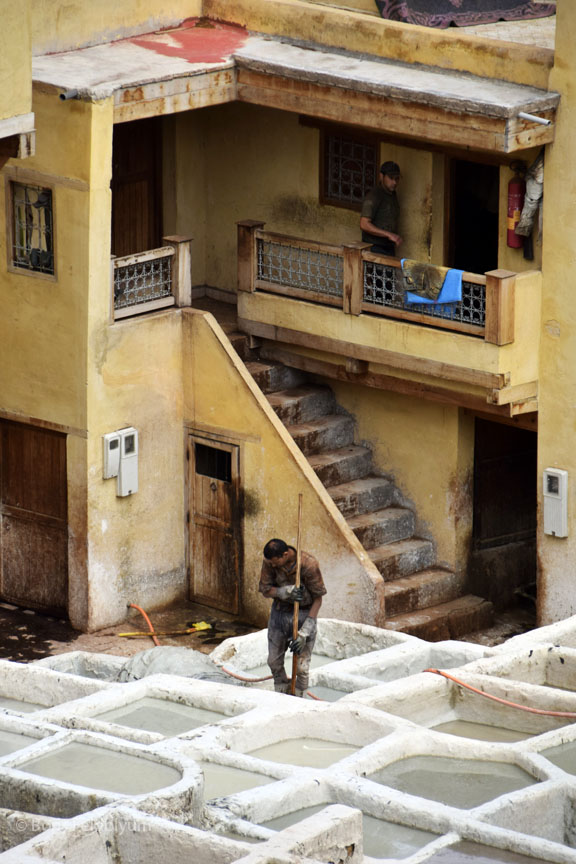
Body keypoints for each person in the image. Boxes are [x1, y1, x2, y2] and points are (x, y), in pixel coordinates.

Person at [259, 538, 326, 697]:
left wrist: (305, 632)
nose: (273, 566)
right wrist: (284, 592)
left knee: (302, 668)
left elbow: (318, 599)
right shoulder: (270, 562)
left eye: (276, 563)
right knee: (273, 662)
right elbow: (265, 589)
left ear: (285, 554)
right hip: (279, 614)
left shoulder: (308, 564)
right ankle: (281, 692)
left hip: (304, 615)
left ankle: (299, 697)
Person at [360, 161, 403, 256]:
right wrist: (388, 234)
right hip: (374, 247)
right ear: (381, 176)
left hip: (388, 247)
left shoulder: (392, 194)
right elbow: (364, 224)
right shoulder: (374, 196)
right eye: (391, 178)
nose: (394, 182)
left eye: (397, 179)